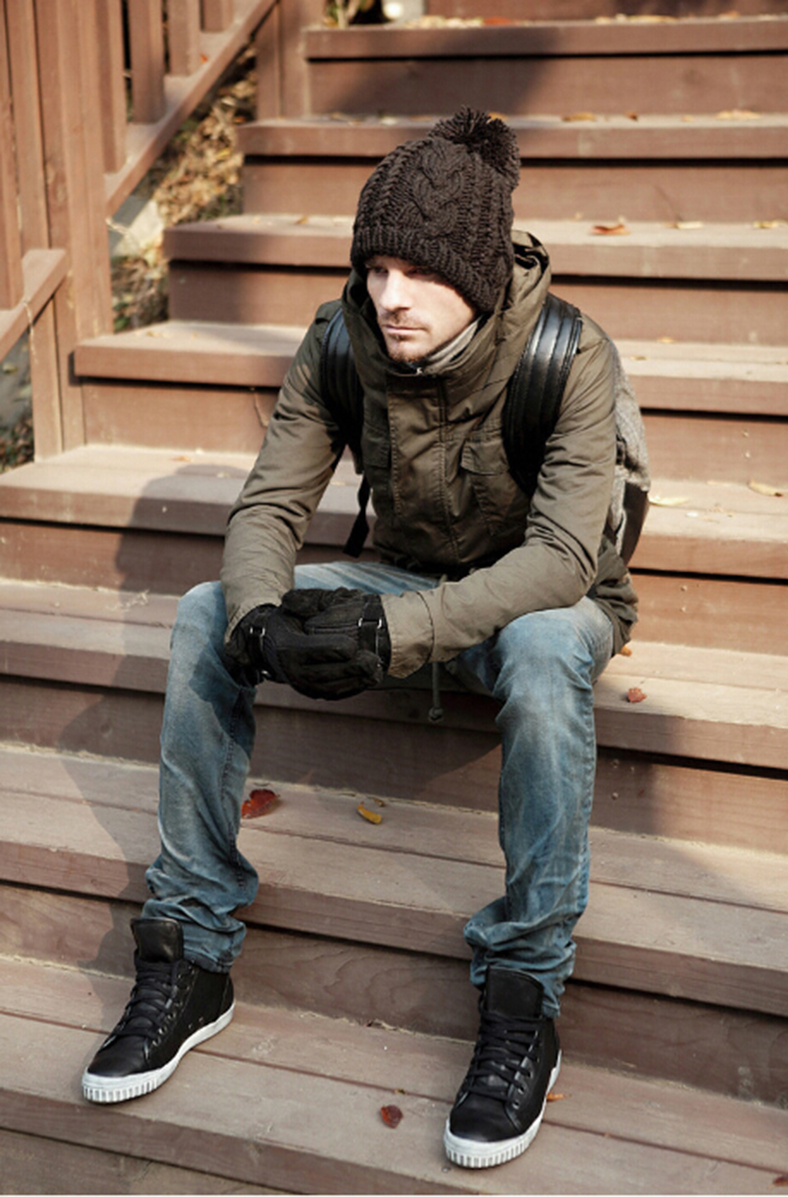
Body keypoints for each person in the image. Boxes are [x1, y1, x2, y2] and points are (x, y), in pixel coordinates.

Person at [81, 108, 638, 1170]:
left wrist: (395, 632)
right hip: (404, 575)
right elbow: (268, 508)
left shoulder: (569, 353)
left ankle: (524, 989)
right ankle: (193, 950)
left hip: (538, 599)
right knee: (203, 611)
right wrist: (259, 616)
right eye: (376, 267)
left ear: (476, 274)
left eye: (418, 273)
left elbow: (566, 557)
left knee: (539, 654)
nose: (389, 294)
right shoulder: (340, 339)